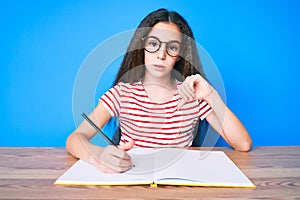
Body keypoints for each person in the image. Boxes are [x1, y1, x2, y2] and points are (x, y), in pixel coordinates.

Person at [66, 8, 252, 173]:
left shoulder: (192, 94)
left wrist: (211, 95)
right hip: (131, 183)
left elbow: (243, 144)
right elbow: (75, 139)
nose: (161, 55)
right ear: (143, 46)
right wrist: (97, 155)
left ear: (180, 54)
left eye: (171, 47)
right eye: (154, 44)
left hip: (181, 185)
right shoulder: (121, 93)